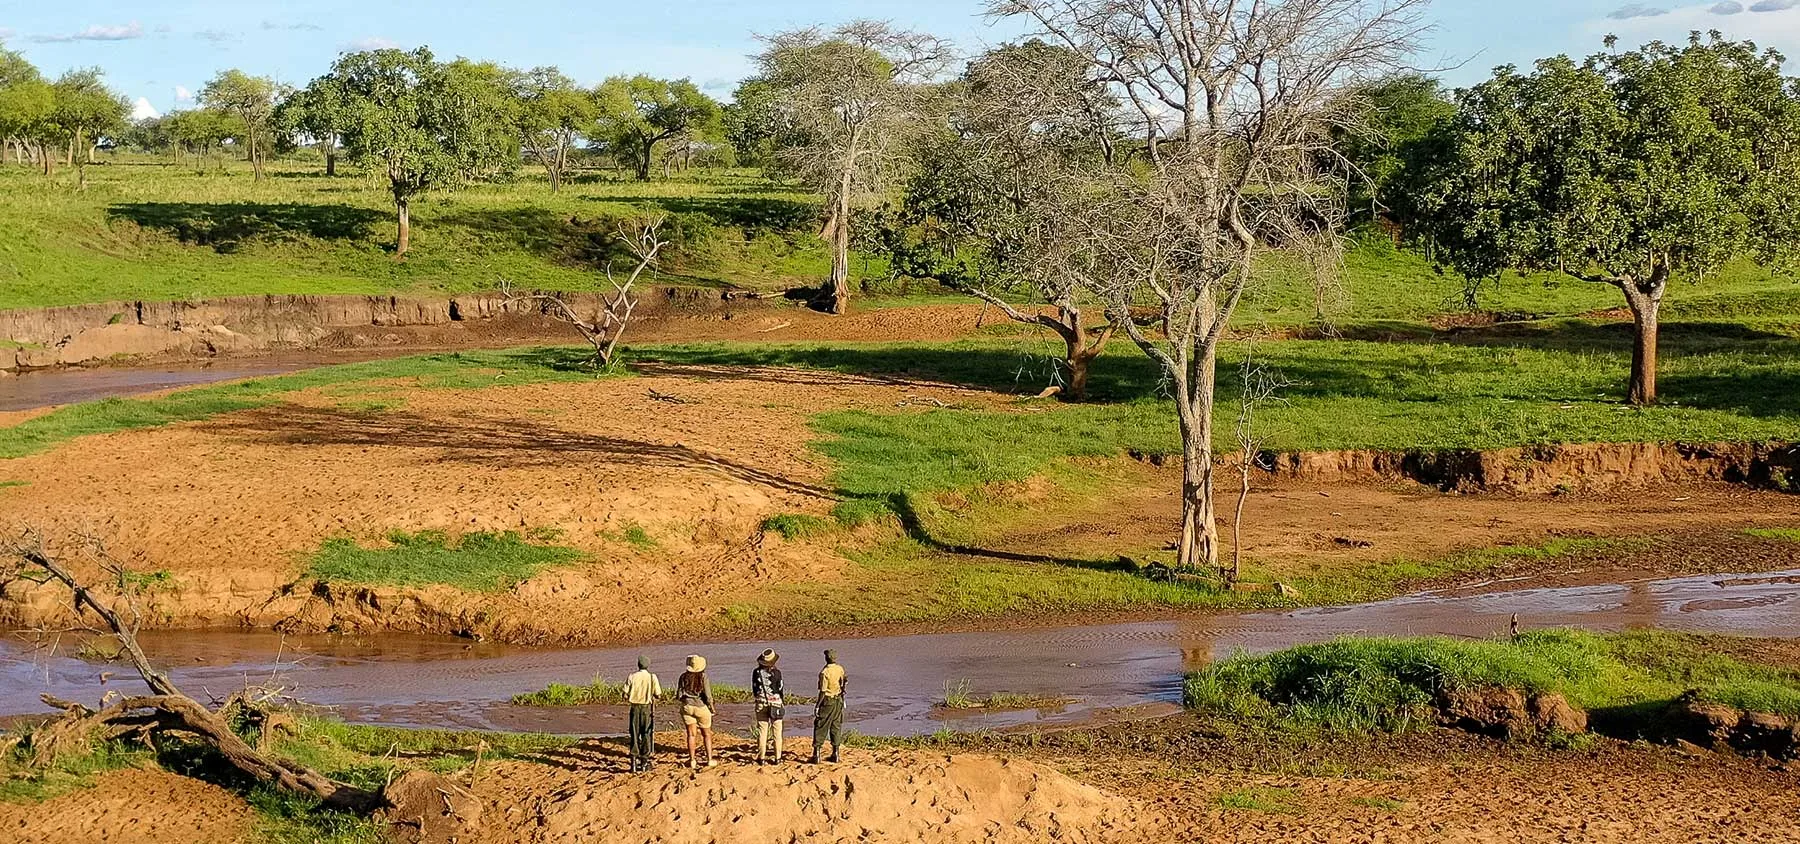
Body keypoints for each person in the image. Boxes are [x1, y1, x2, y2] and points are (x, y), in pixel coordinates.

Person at [676, 654, 716, 770]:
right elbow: (708, 696)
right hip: (701, 707)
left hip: (687, 707)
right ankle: (709, 759)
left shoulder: (683, 677)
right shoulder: (703, 677)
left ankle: (692, 760)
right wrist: (712, 708)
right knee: (707, 734)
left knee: (691, 734)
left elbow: (679, 695)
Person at [624, 655, 661, 772]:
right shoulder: (652, 677)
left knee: (634, 733)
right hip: (646, 709)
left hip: (634, 708)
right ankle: (644, 762)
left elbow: (625, 694)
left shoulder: (632, 676)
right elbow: (658, 694)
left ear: (638, 664)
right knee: (646, 733)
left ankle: (633, 763)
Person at [812, 649, 847, 764]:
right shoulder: (840, 669)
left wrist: (817, 705)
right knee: (836, 726)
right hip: (838, 700)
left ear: (826, 658)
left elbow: (822, 691)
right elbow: (843, 683)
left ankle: (816, 755)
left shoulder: (825, 672)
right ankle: (835, 753)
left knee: (821, 725)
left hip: (828, 700)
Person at [751, 648, 784, 765]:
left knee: (762, 731)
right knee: (777, 732)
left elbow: (755, 689)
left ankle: (761, 757)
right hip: (775, 704)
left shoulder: (756, 672)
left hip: (761, 703)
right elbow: (780, 689)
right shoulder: (777, 673)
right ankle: (778, 758)